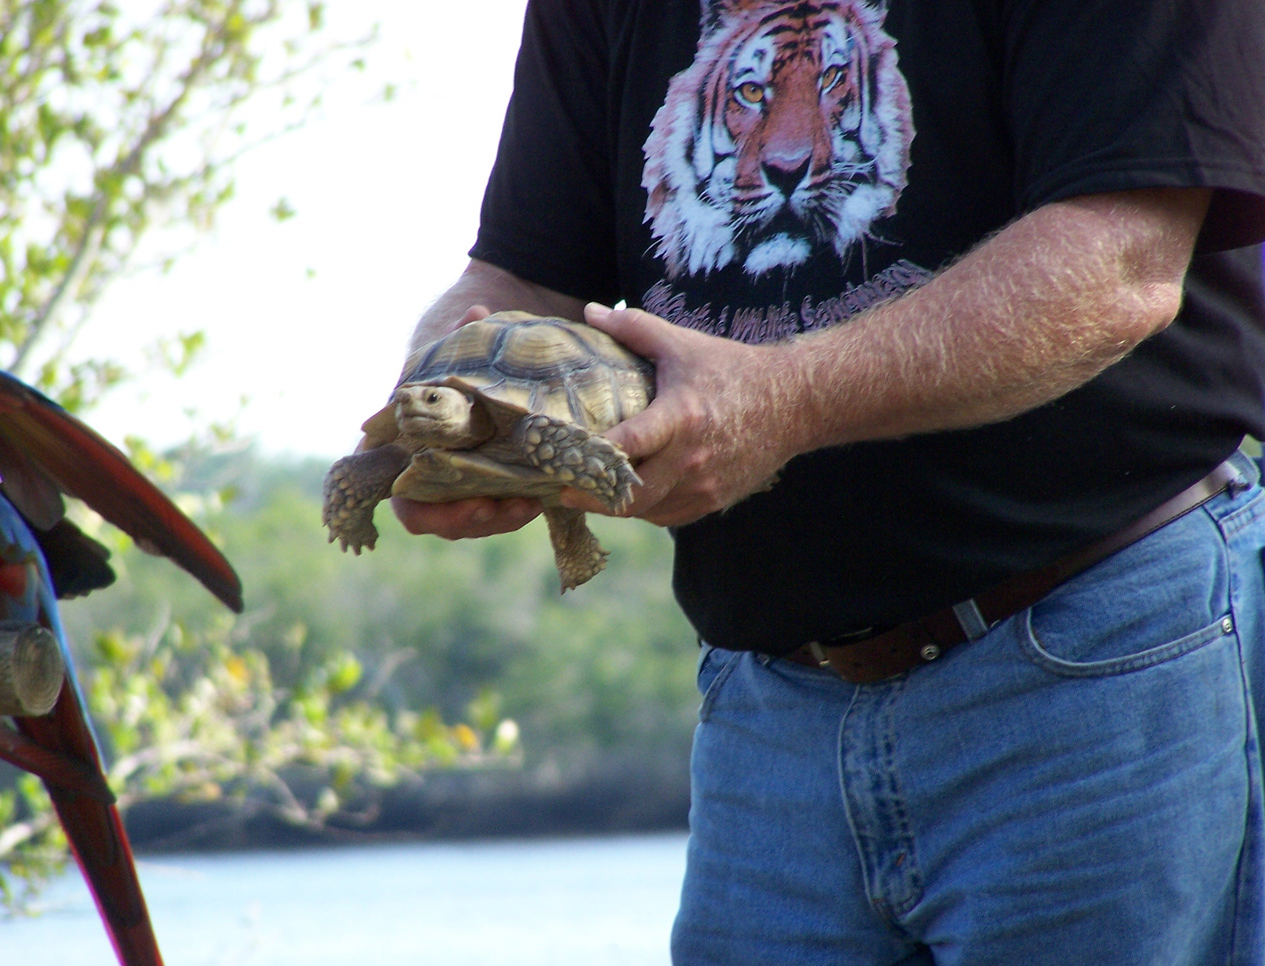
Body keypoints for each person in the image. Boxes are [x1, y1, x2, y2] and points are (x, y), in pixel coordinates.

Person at [385, 1, 1265, 962]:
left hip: (1098, 661)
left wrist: (778, 405)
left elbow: (1123, 259)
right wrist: (447, 385)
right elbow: (521, 270)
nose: (790, 149)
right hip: (766, 705)